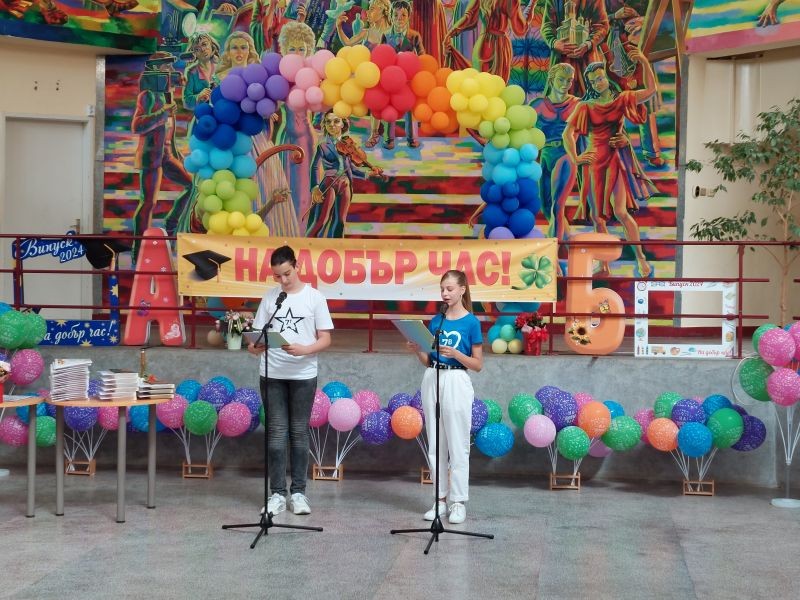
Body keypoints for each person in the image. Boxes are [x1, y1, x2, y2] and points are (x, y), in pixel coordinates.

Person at [249, 245, 333, 516]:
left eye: (287, 273)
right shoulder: (270, 298)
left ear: (297, 266)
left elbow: (326, 338)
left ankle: (298, 493)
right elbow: (256, 338)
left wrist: (305, 349)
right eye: (277, 276)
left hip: (303, 375)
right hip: (272, 373)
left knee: (298, 433)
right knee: (275, 435)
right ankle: (276, 494)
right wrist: (255, 347)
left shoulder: (314, 297)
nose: (283, 280)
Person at [562, 49, 657, 277]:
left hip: (615, 160)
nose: (599, 83)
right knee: (597, 217)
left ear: (606, 77)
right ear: (590, 85)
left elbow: (651, 91)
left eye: (601, 77)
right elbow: (568, 134)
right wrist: (576, 158)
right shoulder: (585, 106)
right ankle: (604, 265)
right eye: (593, 81)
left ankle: (641, 260)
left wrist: (644, 61)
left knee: (621, 211)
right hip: (593, 163)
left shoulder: (622, 99)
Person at [407, 270, 483, 524]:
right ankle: (439, 500)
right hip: (432, 377)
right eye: (442, 289)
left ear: (462, 289)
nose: (445, 293)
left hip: (456, 379)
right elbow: (428, 359)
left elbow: (478, 364)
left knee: (458, 443)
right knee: (435, 442)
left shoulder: (471, 322)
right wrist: (417, 349)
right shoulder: (436, 321)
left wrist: (456, 354)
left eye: (450, 289)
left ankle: (458, 502)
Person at [305, 110, 383, 237]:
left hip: (345, 183)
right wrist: (315, 188)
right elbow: (314, 167)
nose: (332, 125)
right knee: (321, 220)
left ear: (343, 124)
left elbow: (351, 168)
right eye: (328, 122)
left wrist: (368, 173)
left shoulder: (348, 144)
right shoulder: (323, 146)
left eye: (336, 121)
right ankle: (305, 244)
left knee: (340, 221)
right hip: (329, 183)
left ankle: (336, 246)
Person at [540, 0, 609, 96]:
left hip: (587, 60)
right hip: (561, 59)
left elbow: (601, 26)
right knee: (558, 96)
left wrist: (588, 44)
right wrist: (554, 42)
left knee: (591, 96)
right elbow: (547, 26)